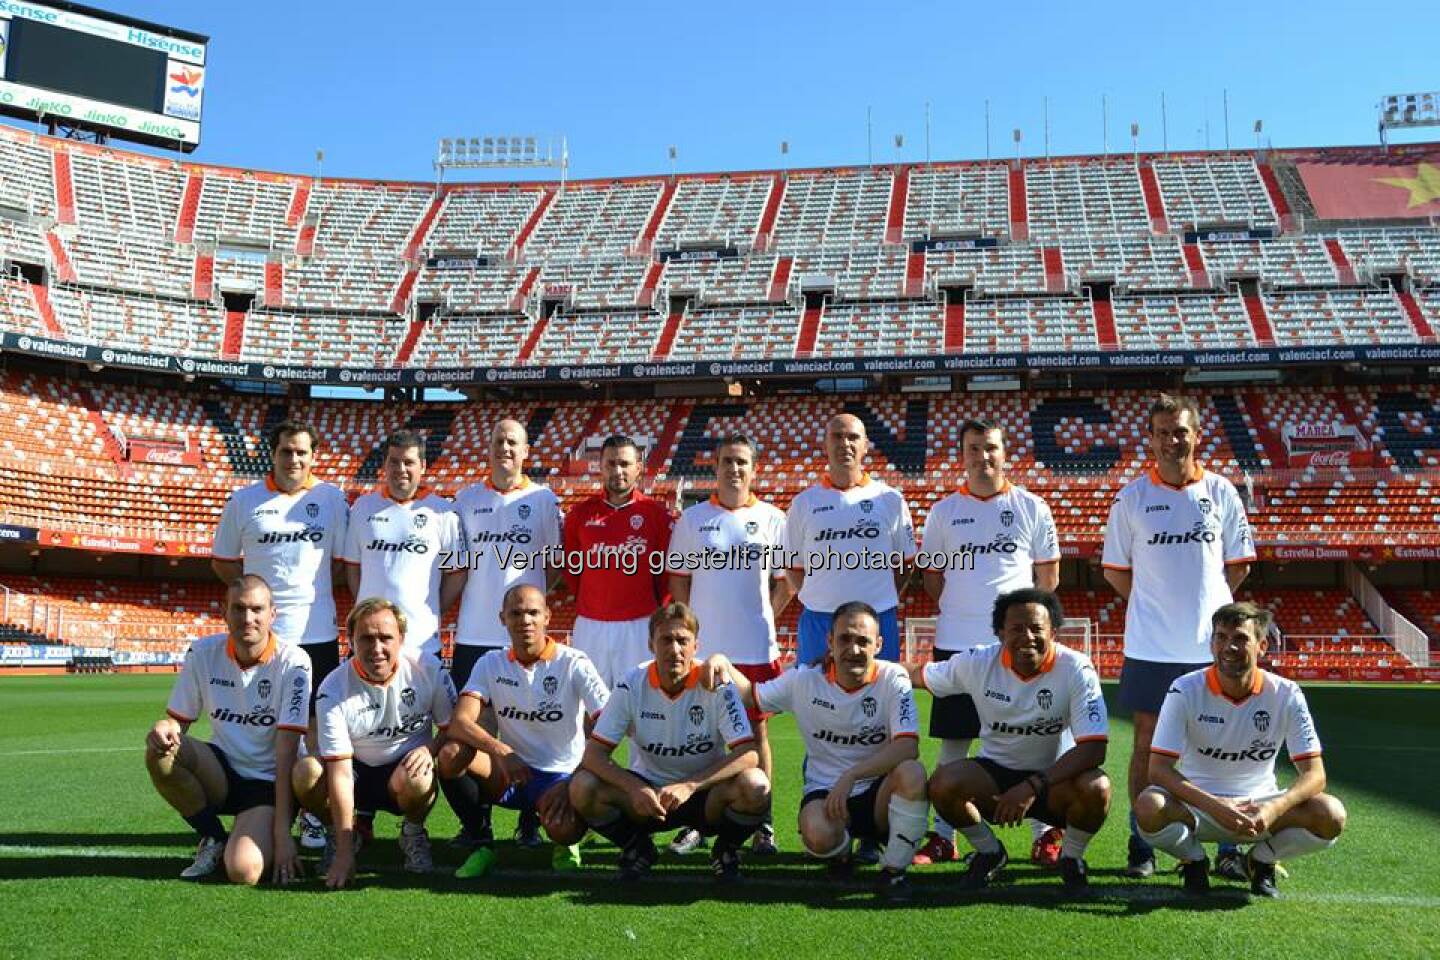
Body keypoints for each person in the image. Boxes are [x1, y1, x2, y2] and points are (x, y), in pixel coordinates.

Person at [1102, 394, 1255, 879]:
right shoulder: (1131, 499)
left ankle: (1228, 847)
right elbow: (1116, 573)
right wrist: (1157, 606)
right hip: (1150, 646)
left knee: (1217, 745)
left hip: (1210, 649)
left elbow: (1239, 565)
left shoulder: (1221, 491)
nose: (1173, 440)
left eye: (1181, 431)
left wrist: (1205, 614)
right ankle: (1142, 842)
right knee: (1147, 745)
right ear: (1151, 439)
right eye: (1164, 432)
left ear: (1196, 435)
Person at [911, 418, 1063, 868]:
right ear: (963, 455)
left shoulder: (1032, 506)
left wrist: (1017, 630)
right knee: (954, 743)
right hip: (957, 643)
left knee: (1037, 742)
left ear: (1004, 451)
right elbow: (933, 579)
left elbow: (1048, 579)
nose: (984, 456)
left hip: (1018, 650)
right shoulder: (943, 512)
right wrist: (966, 612)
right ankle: (944, 837)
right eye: (974, 448)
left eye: (991, 447)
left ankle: (1045, 834)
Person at [703, 601, 928, 903]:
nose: (854, 649)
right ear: (830, 642)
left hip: (878, 794)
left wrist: (852, 775)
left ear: (879, 644)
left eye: (863, 641)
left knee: (912, 773)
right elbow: (753, 698)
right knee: (817, 836)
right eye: (845, 639)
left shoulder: (893, 678)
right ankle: (842, 853)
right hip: (826, 792)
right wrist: (723, 662)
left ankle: (893, 872)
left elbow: (907, 746)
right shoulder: (804, 680)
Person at [1136, 602, 1346, 898]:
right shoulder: (1184, 689)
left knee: (1331, 814)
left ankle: (1262, 860)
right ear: (1211, 644)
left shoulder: (1286, 693)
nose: (1228, 647)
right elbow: (1157, 769)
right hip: (1200, 806)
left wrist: (1274, 807)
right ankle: (1194, 861)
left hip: (1260, 808)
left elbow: (1315, 774)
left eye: (1240, 639)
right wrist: (1216, 806)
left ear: (1262, 646)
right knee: (1148, 806)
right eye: (1220, 638)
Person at [909, 588, 1110, 894]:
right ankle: (990, 852)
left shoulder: (1076, 668)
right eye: (1016, 629)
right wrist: (860, 665)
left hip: (1055, 784)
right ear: (1000, 632)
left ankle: (1072, 859)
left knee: (1098, 787)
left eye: (1036, 629)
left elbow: (1094, 748)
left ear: (1053, 632)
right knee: (942, 783)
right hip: (995, 783)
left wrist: (1031, 787)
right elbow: (917, 675)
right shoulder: (977, 661)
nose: (1027, 637)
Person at [210, 419, 349, 850]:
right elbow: (223, 561)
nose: (294, 459)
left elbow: (342, 564)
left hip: (318, 632)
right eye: (287, 451)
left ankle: (310, 814)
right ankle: (264, 808)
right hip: (263, 639)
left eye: (302, 452)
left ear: (313, 456)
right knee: (268, 727)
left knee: (313, 728)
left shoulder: (331, 499)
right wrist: (257, 603)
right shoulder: (244, 501)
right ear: (273, 454)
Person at [571, 602, 771, 882]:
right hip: (648, 798)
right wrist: (635, 787)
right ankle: (637, 847)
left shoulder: (716, 684)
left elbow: (749, 754)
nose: (674, 649)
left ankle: (725, 850)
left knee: (756, 785)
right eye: (666, 640)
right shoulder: (631, 684)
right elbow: (593, 756)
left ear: (695, 646)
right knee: (582, 787)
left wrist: (690, 785)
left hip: (704, 797)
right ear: (651, 644)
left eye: (682, 641)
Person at [665, 432, 793, 856]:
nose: (734, 469)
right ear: (715, 468)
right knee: (707, 736)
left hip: (755, 648)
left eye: (742, 462)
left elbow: (785, 583)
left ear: (753, 469)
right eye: (726, 462)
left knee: (757, 736)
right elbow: (678, 580)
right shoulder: (693, 520)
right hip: (705, 651)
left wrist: (764, 619)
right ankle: (700, 821)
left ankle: (764, 822)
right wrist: (691, 634)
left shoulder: (775, 519)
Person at [144, 575, 311, 885]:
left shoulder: (294, 662)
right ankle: (213, 837)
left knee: (243, 871)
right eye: (239, 608)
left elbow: (287, 751)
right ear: (225, 612)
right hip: (220, 771)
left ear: (272, 614)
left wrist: (282, 833)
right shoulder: (203, 653)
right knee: (160, 753)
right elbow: (178, 724)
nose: (248, 618)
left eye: (257, 609)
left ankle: (259, 830)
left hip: (268, 781)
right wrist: (162, 727)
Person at [437, 584, 608, 878]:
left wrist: (578, 775)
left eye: (532, 613)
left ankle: (568, 841)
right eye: (516, 613)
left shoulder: (573, 662)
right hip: (510, 772)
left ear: (547, 617)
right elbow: (460, 722)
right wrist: (502, 751)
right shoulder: (490, 663)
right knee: (451, 755)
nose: (525, 620)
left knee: (564, 830)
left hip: (560, 776)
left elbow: (608, 724)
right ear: (502, 618)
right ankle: (482, 844)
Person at [452, 418, 563, 848]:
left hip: (523, 638)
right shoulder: (466, 499)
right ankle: (477, 823)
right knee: (472, 737)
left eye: (512, 442)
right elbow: (456, 566)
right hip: (474, 636)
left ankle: (531, 820)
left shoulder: (542, 499)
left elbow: (553, 568)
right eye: (498, 440)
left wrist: (525, 613)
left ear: (525, 452)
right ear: (490, 446)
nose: (504, 448)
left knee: (529, 733)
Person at [292, 598, 456, 888]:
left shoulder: (429, 670)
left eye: (385, 638)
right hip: (353, 771)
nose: (377, 648)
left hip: (401, 773)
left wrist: (429, 748)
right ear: (351, 641)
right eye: (366, 638)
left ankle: (413, 832)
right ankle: (340, 835)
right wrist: (344, 853)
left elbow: (450, 728)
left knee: (421, 776)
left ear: (401, 639)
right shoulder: (333, 687)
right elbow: (340, 773)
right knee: (306, 772)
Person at [784, 414, 915, 666]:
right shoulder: (803, 503)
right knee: (815, 701)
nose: (845, 443)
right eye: (837, 436)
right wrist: (823, 596)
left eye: (853, 437)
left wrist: (878, 598)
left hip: (877, 618)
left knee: (878, 700)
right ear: (825, 445)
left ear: (866, 446)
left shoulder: (890, 500)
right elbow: (793, 569)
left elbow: (905, 565)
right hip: (819, 621)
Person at [562, 433, 674, 687]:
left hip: (639, 624)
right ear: (601, 466)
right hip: (591, 625)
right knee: (589, 709)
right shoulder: (579, 515)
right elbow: (572, 571)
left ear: (638, 467)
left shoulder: (656, 515)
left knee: (640, 708)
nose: (618, 470)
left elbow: (666, 575)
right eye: (611, 463)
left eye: (624, 463)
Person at [342, 429, 465, 660]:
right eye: (394, 462)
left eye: (409, 462)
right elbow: (352, 568)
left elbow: (458, 573)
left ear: (423, 466)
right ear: (385, 465)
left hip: (421, 644)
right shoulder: (362, 507)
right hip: (368, 642)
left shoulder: (445, 512)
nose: (401, 469)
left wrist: (431, 609)